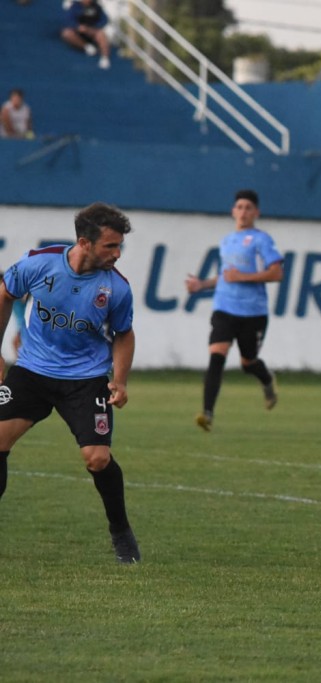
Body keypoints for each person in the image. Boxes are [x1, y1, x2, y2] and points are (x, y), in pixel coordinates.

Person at [0, 202, 140, 563]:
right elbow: (4, 293)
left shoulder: (116, 288)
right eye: (110, 246)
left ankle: (121, 532)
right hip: (31, 371)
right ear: (84, 242)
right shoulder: (39, 264)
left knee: (96, 459)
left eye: (119, 245)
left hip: (86, 379)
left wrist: (120, 382)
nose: (117, 253)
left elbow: (124, 334)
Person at [185, 189, 283, 432]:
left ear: (256, 212)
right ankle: (207, 413)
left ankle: (267, 380)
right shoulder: (227, 241)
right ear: (232, 211)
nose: (243, 212)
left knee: (248, 363)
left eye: (248, 207)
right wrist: (203, 284)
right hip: (224, 307)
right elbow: (226, 276)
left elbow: (276, 272)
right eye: (239, 207)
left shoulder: (262, 240)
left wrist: (243, 276)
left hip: (253, 312)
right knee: (217, 356)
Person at [61, 0, 112, 70]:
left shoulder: (97, 7)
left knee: (101, 34)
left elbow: (104, 19)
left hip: (92, 30)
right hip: (79, 31)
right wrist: (77, 26)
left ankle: (105, 58)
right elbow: (67, 20)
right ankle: (87, 47)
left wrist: (94, 28)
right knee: (66, 33)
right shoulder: (75, 7)